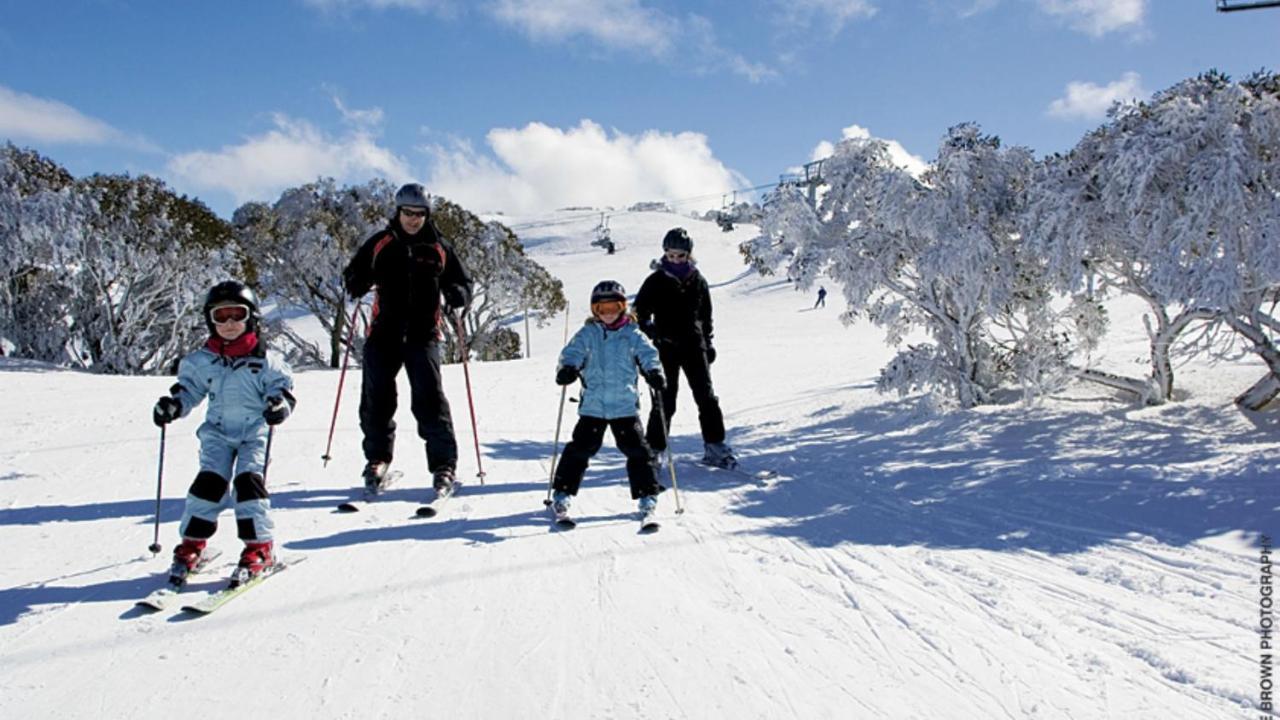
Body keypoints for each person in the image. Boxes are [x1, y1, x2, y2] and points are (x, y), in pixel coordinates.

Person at [152, 281, 295, 587]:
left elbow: (282, 390)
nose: (229, 324)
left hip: (253, 434)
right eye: (221, 317)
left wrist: (279, 406)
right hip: (217, 434)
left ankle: (259, 548)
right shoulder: (204, 361)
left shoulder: (265, 360)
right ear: (210, 320)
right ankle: (192, 545)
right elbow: (189, 390)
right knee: (208, 485)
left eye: (237, 315)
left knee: (248, 485)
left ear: (251, 318)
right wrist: (173, 406)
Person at [342, 183, 474, 497]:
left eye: (419, 214)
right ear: (398, 212)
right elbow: (354, 272)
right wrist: (355, 283)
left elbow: (461, 279)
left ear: (427, 215)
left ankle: (444, 465)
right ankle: (377, 459)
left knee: (430, 400)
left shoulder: (439, 246)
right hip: (383, 334)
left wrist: (458, 294)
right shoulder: (381, 243)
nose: (413, 219)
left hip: (423, 334)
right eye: (408, 213)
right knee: (376, 400)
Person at [551, 281, 666, 516]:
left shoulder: (633, 334)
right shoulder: (588, 333)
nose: (608, 314)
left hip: (624, 405)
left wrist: (654, 372)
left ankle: (647, 495)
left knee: (638, 451)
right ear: (595, 311)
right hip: (594, 406)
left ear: (623, 307)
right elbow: (571, 353)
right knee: (580, 449)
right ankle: (562, 492)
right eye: (602, 309)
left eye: (614, 307)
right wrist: (568, 368)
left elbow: (648, 355)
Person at [635, 228, 737, 468]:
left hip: (694, 345)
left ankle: (715, 446)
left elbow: (705, 315)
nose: (675, 259)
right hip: (666, 347)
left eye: (680, 255)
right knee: (665, 400)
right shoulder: (656, 280)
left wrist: (708, 342)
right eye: (670, 255)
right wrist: (652, 332)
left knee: (706, 397)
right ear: (665, 254)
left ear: (688, 255)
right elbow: (639, 312)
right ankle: (655, 450)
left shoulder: (697, 280)